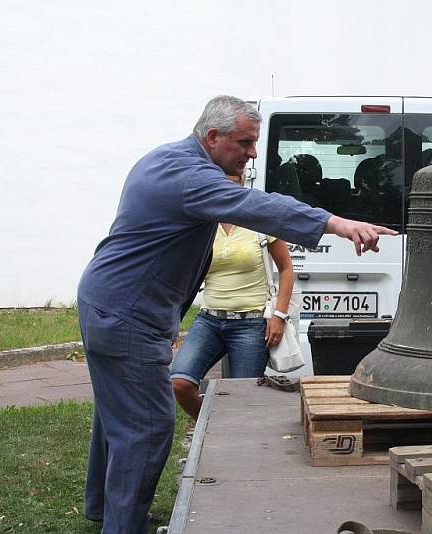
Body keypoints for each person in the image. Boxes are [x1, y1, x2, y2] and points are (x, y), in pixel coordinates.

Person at [77, 95, 396, 533]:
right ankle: (123, 526)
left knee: (117, 414)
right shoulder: (190, 176)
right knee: (147, 427)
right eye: (245, 142)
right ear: (213, 137)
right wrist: (336, 223)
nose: (251, 152)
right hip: (127, 315)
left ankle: (103, 507)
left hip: (108, 302)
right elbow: (257, 207)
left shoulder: (167, 158)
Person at [171, 174, 293, 420]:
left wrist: (279, 315)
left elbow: (287, 268)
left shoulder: (259, 218)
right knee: (180, 383)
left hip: (251, 323)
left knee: (243, 398)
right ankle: (210, 426)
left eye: (232, 180)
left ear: (242, 181)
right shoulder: (204, 223)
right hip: (209, 319)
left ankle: (237, 442)